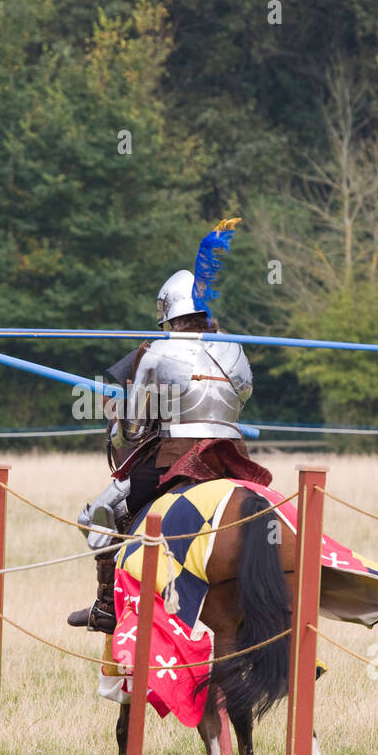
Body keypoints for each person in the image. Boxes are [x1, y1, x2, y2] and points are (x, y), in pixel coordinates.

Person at [67, 225, 270, 633]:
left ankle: (107, 605)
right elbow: (243, 394)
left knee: (102, 513)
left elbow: (134, 427)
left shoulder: (158, 352)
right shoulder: (234, 346)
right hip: (232, 453)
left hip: (177, 457)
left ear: (169, 314)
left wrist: (121, 418)